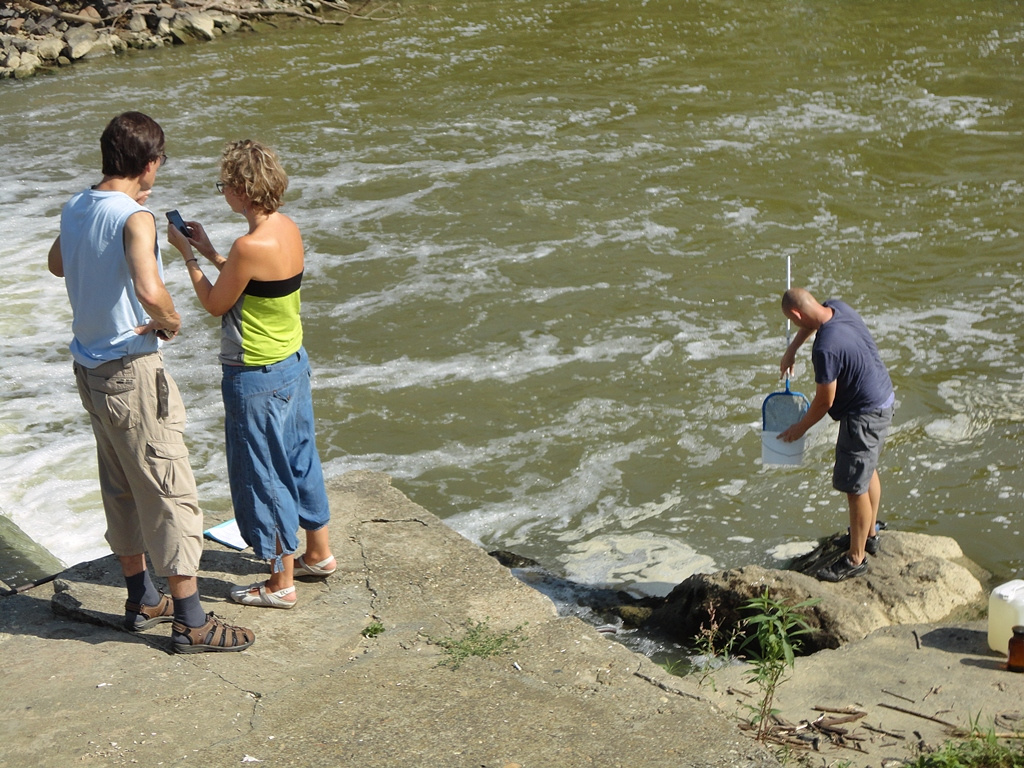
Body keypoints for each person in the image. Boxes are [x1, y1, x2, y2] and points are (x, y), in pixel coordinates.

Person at [47, 111, 255, 653]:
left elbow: (57, 264)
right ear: (149, 163)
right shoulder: (133, 217)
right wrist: (171, 322)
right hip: (130, 371)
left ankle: (142, 598)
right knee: (167, 487)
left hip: (89, 370)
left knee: (120, 484)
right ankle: (191, 620)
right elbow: (148, 288)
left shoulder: (77, 204)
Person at [168, 139, 334, 609]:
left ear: (241, 190)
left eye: (224, 184)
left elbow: (215, 303)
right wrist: (213, 251)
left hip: (255, 376)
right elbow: (259, 285)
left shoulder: (248, 245)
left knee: (264, 473)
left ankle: (280, 583)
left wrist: (189, 256)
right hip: (292, 364)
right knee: (300, 457)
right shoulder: (286, 230)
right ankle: (318, 553)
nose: (223, 192)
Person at [777, 287, 895, 582]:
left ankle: (856, 558)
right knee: (866, 469)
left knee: (855, 487)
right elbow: (809, 322)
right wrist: (791, 350)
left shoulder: (825, 348)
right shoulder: (838, 308)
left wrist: (798, 429)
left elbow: (824, 401)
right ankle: (868, 534)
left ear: (795, 314)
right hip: (882, 397)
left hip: (864, 413)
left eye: (792, 321)